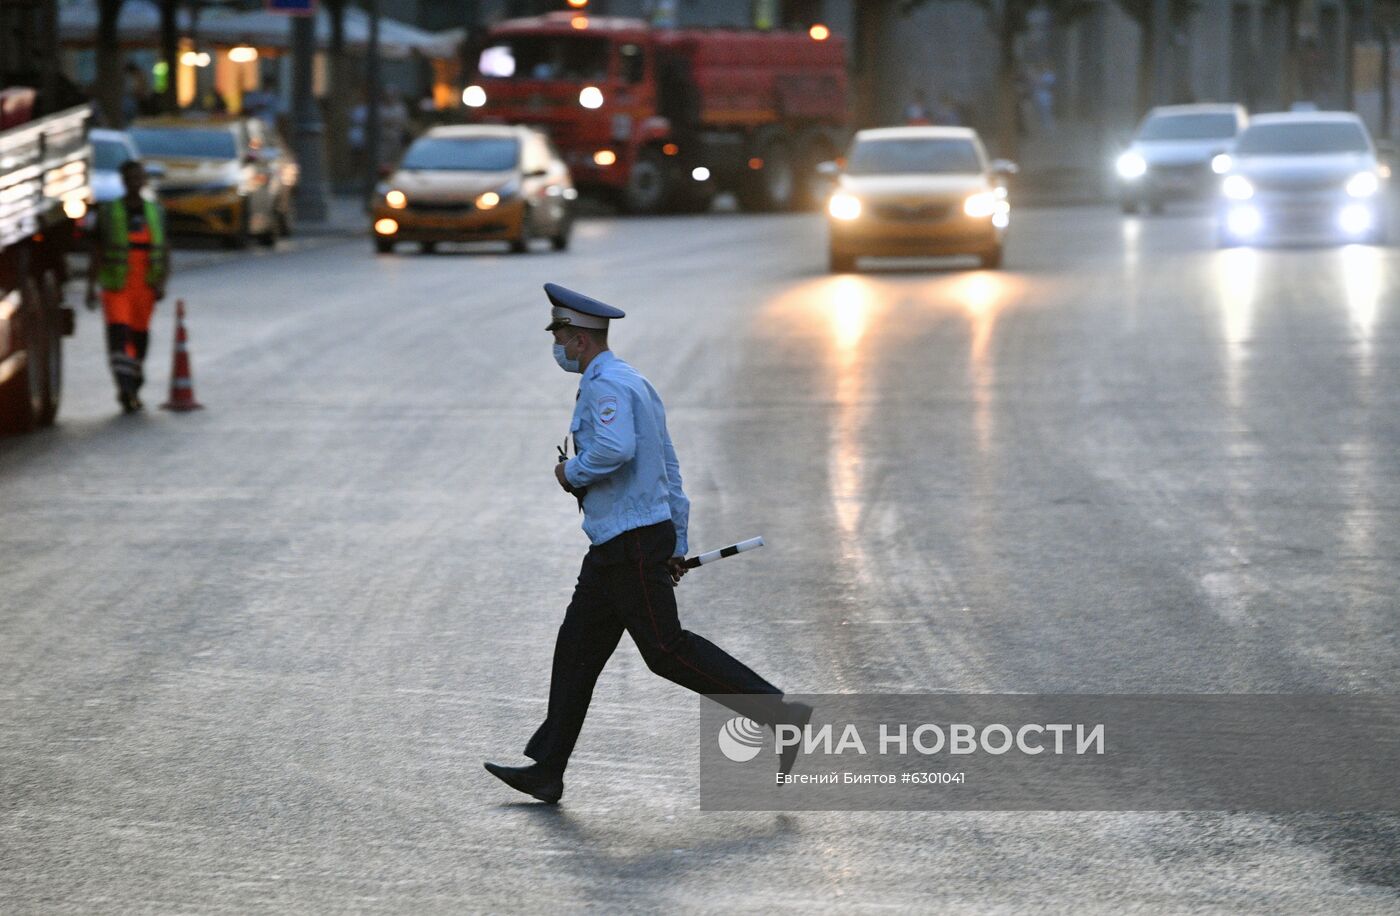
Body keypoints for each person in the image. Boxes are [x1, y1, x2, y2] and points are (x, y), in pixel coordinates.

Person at [483, 284, 812, 804]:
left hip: (630, 543)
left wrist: (571, 472)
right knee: (577, 650)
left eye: (562, 337)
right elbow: (668, 464)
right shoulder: (633, 380)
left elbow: (616, 449)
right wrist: (676, 537)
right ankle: (547, 768)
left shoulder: (605, 385)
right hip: (625, 541)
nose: (559, 347)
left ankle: (778, 714)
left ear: (580, 339)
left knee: (665, 649)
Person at [86, 160, 168, 413]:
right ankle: (125, 387)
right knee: (119, 337)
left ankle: (135, 379)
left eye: (139, 178)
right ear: (123, 181)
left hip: (144, 287)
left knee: (140, 338)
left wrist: (162, 281)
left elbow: (165, 249)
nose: (135, 183)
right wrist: (91, 285)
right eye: (130, 178)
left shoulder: (155, 212)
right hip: (116, 286)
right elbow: (97, 250)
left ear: (144, 181)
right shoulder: (109, 212)